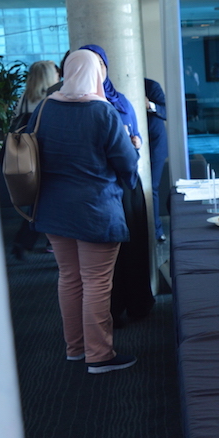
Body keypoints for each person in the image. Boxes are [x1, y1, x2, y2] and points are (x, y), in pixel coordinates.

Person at [29, 49, 139, 373]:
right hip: (95, 210)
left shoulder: (45, 107)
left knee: (69, 279)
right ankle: (99, 355)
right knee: (95, 283)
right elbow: (126, 163)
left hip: (53, 209)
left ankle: (75, 348)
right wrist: (134, 148)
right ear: (96, 74)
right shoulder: (103, 112)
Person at [80, 44, 155, 321]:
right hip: (100, 187)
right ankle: (113, 309)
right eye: (91, 64)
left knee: (133, 246)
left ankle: (137, 304)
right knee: (106, 257)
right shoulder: (76, 105)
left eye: (101, 64)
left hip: (127, 183)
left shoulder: (120, 100)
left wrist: (135, 142)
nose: (97, 70)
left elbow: (136, 135)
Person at [8, 60, 60, 260]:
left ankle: (26, 241)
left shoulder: (23, 98)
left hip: (26, 156)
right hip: (47, 155)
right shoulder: (53, 99)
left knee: (39, 200)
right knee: (48, 199)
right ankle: (43, 241)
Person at [145, 77, 168, 242]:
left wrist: (150, 105)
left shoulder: (151, 86)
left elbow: (166, 112)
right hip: (129, 143)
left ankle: (156, 230)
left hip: (155, 144)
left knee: (152, 186)